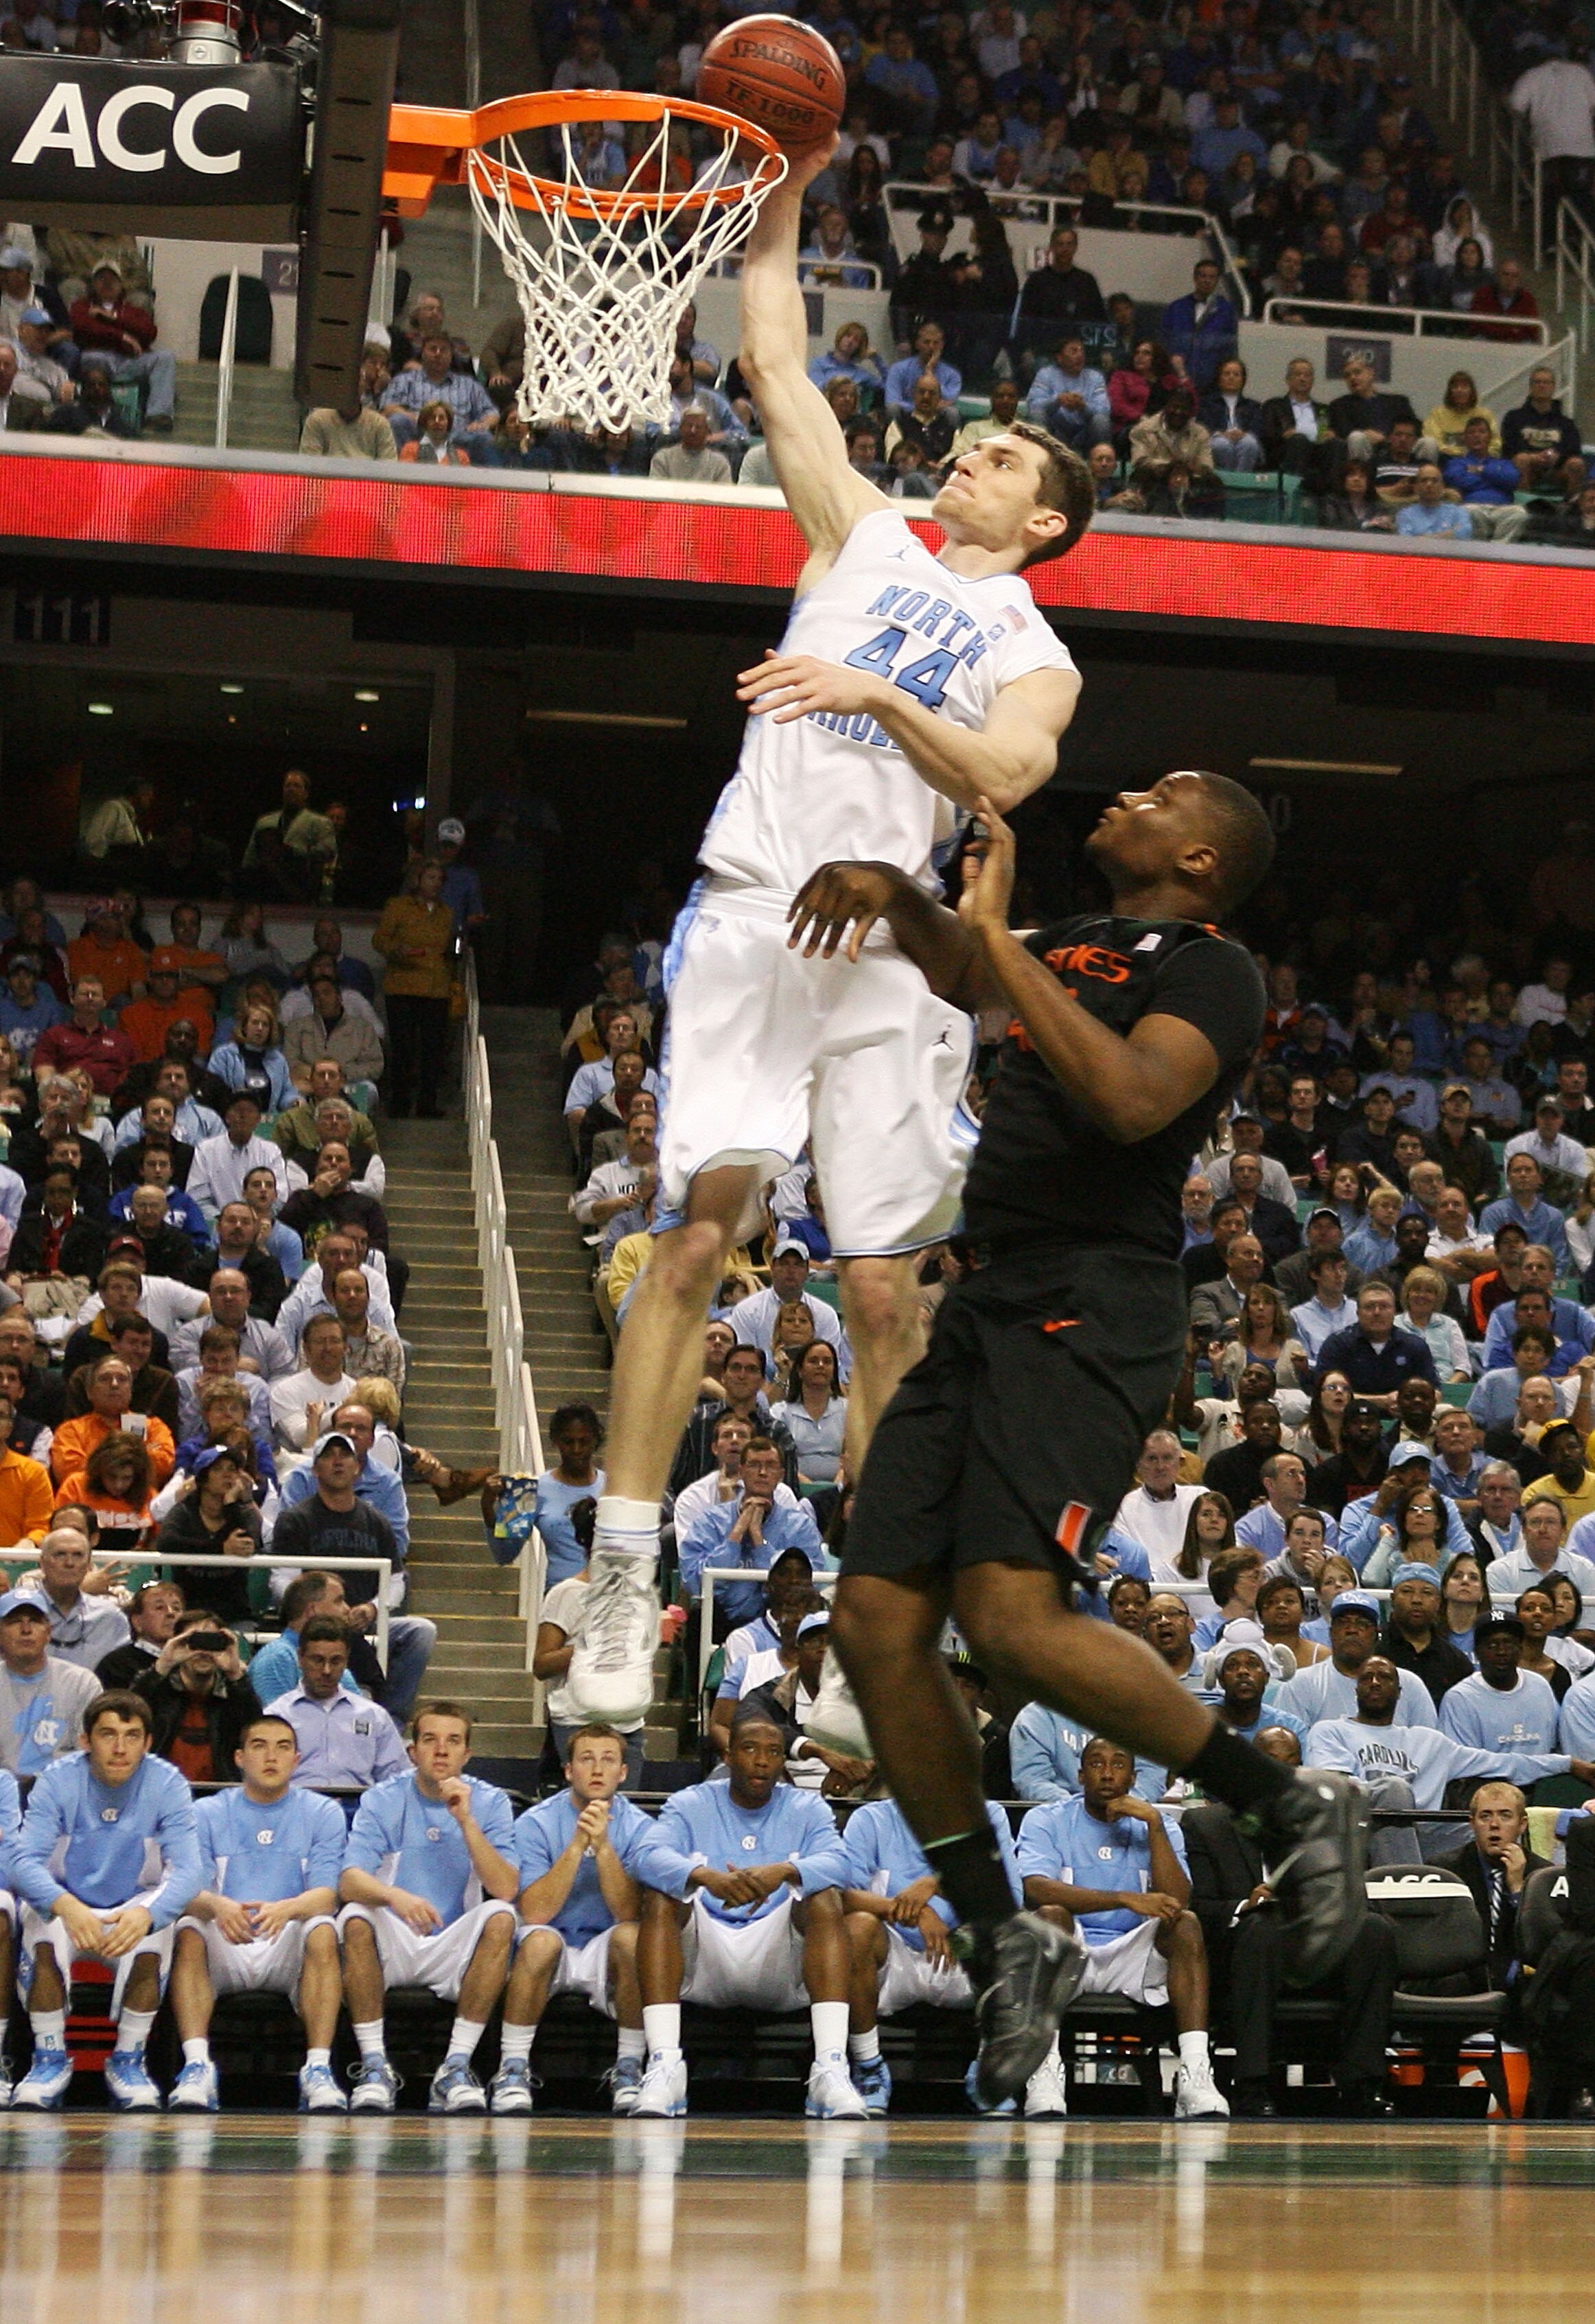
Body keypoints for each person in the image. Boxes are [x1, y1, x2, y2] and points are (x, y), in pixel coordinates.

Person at [563, 129, 1090, 1736]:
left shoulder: (1033, 645)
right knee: (702, 1228)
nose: (969, 459)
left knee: (880, 1297)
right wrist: (781, 181)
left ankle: (885, 1621)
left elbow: (1008, 774)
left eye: (1002, 458)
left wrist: (871, 691)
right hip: (748, 919)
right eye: (974, 443)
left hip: (892, 955)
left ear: (1051, 521)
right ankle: (619, 1574)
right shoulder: (858, 531)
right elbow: (775, 338)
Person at [797, 774, 1365, 2109]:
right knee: (875, 1620)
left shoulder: (1217, 968)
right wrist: (904, 897)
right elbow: (960, 967)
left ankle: (1284, 1803)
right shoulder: (1058, 940)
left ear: (1199, 852)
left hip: (1092, 1297)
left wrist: (1002, 951)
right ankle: (1008, 1932)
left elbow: (1124, 1098)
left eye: (1158, 794)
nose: (1123, 791)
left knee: (1006, 1617)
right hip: (986, 1294)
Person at [630, 1710, 863, 2119]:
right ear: (730, 1755)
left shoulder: (808, 1807)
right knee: (661, 1897)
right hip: (704, 1955)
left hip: (780, 1956)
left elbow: (841, 1863)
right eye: (751, 1749)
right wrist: (705, 1877)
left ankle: (830, 2068)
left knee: (825, 1897)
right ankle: (666, 2065)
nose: (762, 1760)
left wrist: (784, 1872)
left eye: (774, 1752)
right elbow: (645, 1857)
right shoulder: (691, 1802)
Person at [10, 1689, 201, 2111]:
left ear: (148, 1743)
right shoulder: (57, 1781)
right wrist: (64, 1905)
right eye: (108, 1734)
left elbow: (189, 1871)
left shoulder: (169, 1784)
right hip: (68, 1904)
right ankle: (49, 2058)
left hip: (131, 1905)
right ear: (85, 1741)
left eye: (132, 1736)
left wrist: (146, 1913)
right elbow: (22, 1863)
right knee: (41, 1927)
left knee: (158, 1930)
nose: (120, 1747)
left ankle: (129, 2060)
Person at [1016, 1736, 1226, 2117]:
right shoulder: (1047, 1819)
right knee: (1048, 1917)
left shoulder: (1159, 1824)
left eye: (1118, 1765)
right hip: (1071, 1950)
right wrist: (1123, 1898)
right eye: (1096, 1764)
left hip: (1134, 1952)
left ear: (1133, 1777)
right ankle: (1044, 2070)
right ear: (1081, 1775)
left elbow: (1178, 1901)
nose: (1107, 1773)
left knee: (1187, 1925)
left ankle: (1195, 2074)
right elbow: (1035, 1888)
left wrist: (1154, 1826)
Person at [496, 1723, 688, 2115]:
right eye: (586, 1759)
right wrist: (577, 1844)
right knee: (538, 1940)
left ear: (623, 1772)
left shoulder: (642, 1829)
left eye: (608, 1760)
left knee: (634, 1937)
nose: (597, 1769)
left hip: (606, 1943)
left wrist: (602, 1848)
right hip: (554, 1938)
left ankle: (630, 2068)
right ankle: (512, 2068)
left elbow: (629, 1912)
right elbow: (534, 1911)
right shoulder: (535, 1822)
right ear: (569, 1771)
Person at [338, 1701, 519, 2114]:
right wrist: (395, 1897)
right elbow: (349, 1880)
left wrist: (467, 1821)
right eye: (430, 1740)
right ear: (412, 1751)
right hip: (396, 1936)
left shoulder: (490, 1802)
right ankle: (373, 2066)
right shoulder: (382, 1799)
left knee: (502, 1917)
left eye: (453, 1741)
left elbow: (506, 1887)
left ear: (467, 1755)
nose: (441, 1750)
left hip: (454, 1942)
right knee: (353, 1917)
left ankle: (456, 2066)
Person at [167, 1710, 349, 2112]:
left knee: (322, 1927)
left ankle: (317, 2070)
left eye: (284, 1748)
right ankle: (198, 2067)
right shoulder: (206, 1813)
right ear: (238, 1757)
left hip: (287, 1940)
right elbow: (182, 1890)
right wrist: (217, 1904)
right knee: (189, 1927)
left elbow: (328, 1895)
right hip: (226, 1937)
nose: (272, 1757)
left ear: (297, 1760)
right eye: (259, 1746)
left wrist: (287, 1909)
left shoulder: (324, 1813)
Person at [841, 1792, 1027, 2117]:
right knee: (857, 1927)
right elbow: (841, 1895)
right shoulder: (870, 1819)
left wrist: (936, 1883)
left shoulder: (988, 1815)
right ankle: (868, 2067)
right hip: (895, 1951)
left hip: (961, 1952)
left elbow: (1010, 1896)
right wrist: (915, 1912)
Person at [265, 1617, 407, 1788]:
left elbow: (397, 1779)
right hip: (296, 1807)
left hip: (358, 1808)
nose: (327, 1671)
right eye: (317, 1660)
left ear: (346, 1660)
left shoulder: (374, 1716)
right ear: (300, 1658)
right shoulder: (277, 1716)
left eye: (336, 1661)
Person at [373, 859, 454, 1119]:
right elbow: (380, 938)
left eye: (440, 879)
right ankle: (399, 1103)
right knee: (404, 1048)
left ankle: (427, 1103)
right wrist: (397, 949)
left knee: (433, 1049)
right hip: (403, 985)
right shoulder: (398, 906)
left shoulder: (446, 913)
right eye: (431, 878)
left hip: (436, 988)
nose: (436, 884)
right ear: (417, 880)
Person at [0, 1587, 101, 1777]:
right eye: (15, 1622)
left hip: (63, 1791)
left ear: (49, 1632)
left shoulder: (81, 1683)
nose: (26, 1630)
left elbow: (91, 1754)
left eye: (35, 1621)